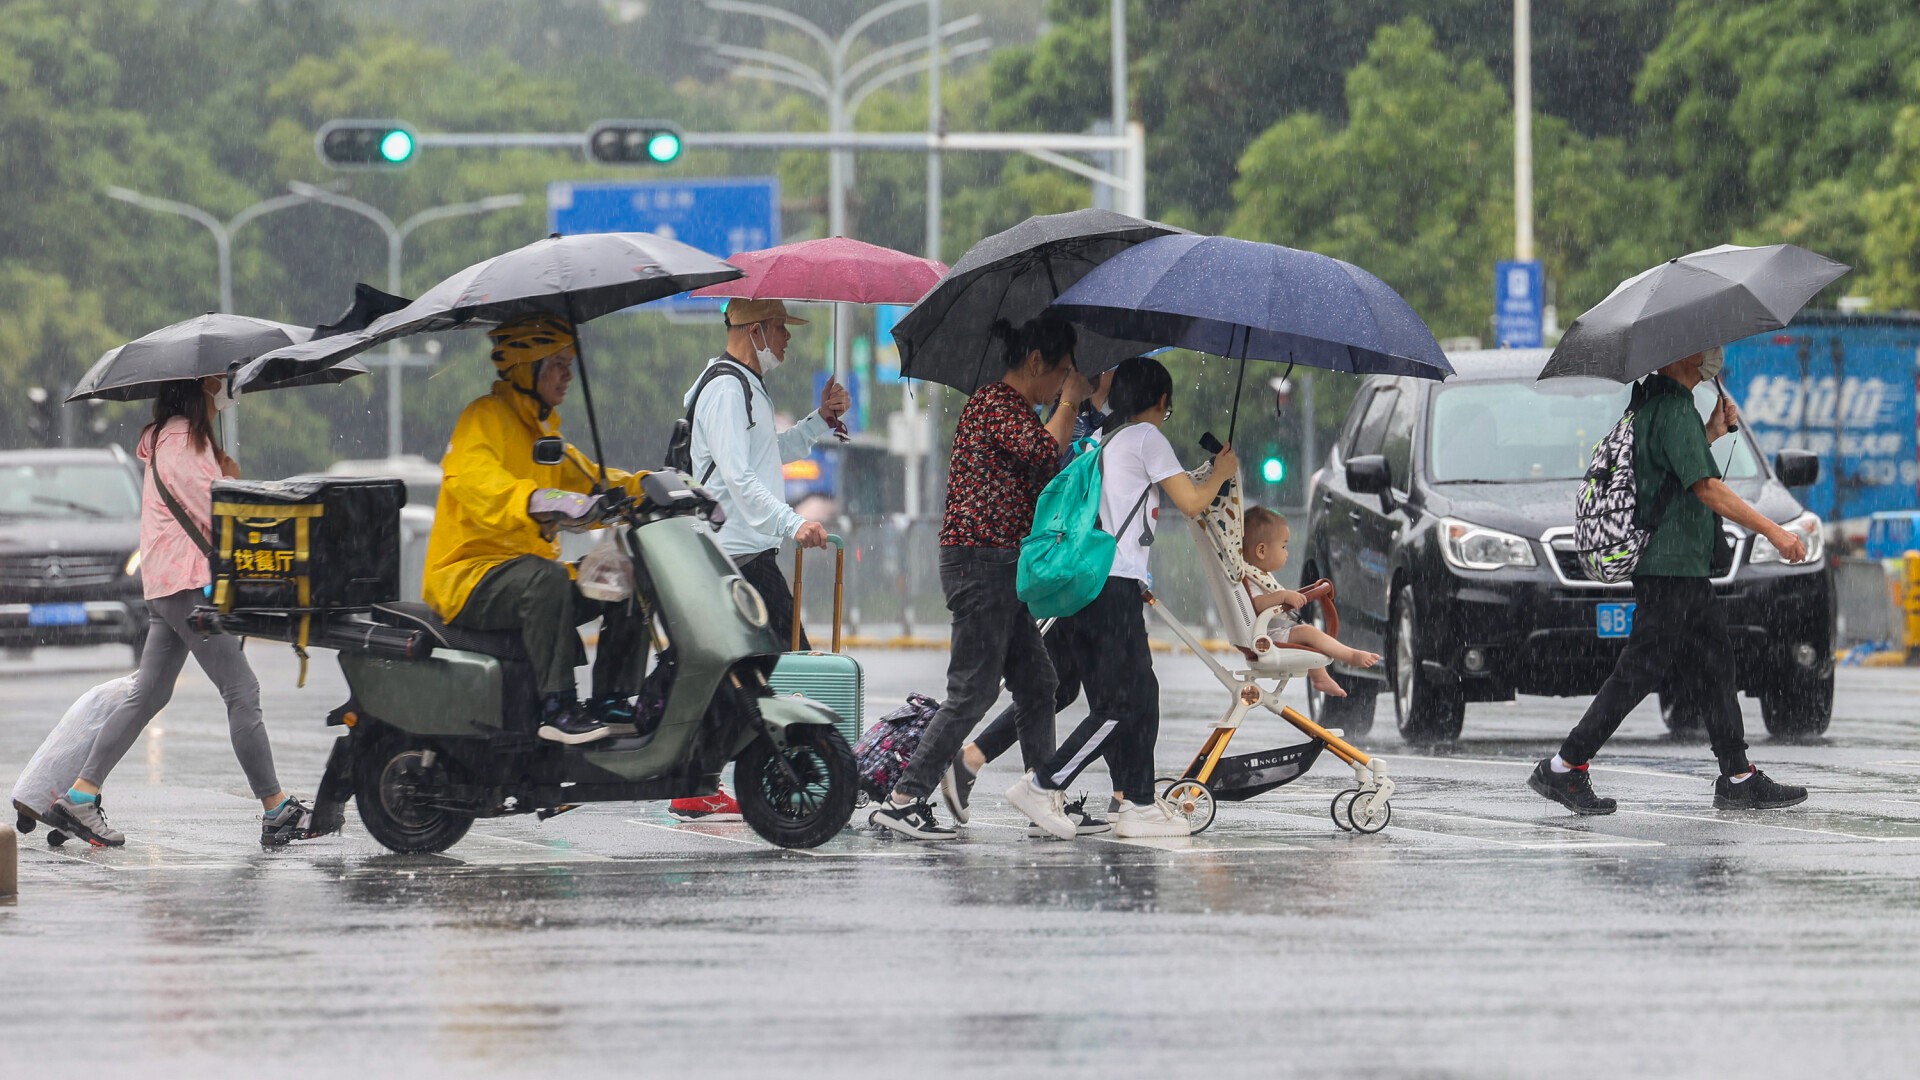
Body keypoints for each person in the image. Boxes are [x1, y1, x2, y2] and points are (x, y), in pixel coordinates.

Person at [1530, 347, 1810, 814]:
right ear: (1686, 356)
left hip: (1680, 567)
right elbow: (1705, 487)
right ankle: (1565, 765)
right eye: (1707, 348)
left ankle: (1737, 775)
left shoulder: (1655, 405)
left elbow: (1670, 476)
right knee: (1640, 671)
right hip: (1670, 566)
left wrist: (1712, 433)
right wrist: (1775, 531)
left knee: (1716, 663)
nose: (1714, 356)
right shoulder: (1674, 408)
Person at [45, 378, 320, 848]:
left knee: (149, 693)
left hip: (168, 583)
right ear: (199, 391)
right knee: (241, 689)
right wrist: (233, 481)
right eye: (218, 386)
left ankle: (80, 795)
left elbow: (203, 503)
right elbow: (216, 512)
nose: (224, 393)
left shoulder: (168, 438)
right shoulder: (181, 439)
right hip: (186, 583)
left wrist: (224, 472)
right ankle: (276, 808)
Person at [870, 311, 1091, 840]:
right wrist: (1071, 402)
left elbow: (1045, 465)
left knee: (1039, 683)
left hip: (999, 564)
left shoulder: (1005, 407)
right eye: (1059, 372)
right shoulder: (996, 404)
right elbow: (1043, 454)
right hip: (982, 562)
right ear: (1035, 361)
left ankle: (1044, 792)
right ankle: (904, 798)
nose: (1060, 385)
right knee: (971, 691)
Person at [1025, 355, 1238, 839]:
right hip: (1111, 583)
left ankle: (1138, 804)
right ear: (1160, 402)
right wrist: (1222, 471)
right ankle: (1045, 784)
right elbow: (1191, 502)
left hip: (1093, 583)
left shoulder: (1105, 439)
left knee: (1142, 694)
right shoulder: (1145, 437)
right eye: (1168, 406)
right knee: (1121, 705)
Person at [425, 314, 651, 748]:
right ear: (526, 368)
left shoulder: (543, 430)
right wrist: (538, 501)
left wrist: (653, 487)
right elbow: (478, 484)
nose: (568, 374)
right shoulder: (483, 418)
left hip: (526, 574)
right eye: (558, 364)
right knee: (544, 578)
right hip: (469, 575)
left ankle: (611, 699)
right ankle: (558, 707)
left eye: (569, 363)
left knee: (625, 576)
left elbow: (592, 481)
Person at [674, 297, 849, 821]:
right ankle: (774, 771)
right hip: (732, 555)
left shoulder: (744, 385)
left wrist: (821, 420)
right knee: (785, 660)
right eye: (780, 328)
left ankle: (702, 779)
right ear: (754, 331)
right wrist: (793, 523)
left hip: (745, 551)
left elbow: (769, 454)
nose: (787, 340)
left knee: (754, 669)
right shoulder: (727, 388)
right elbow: (737, 477)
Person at [937, 367, 1121, 834]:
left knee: (1052, 685)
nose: (1116, 376)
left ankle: (1013, 777)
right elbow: (1057, 479)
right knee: (1098, 689)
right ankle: (1112, 795)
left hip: (1068, 573)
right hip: (1066, 572)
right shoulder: (1065, 420)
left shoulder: (1086, 418)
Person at [1239, 506, 1381, 696]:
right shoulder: (1250, 579)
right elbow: (1257, 604)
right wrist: (1282, 596)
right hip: (1268, 635)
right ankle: (1350, 656)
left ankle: (1320, 677)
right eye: (1283, 546)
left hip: (1273, 630)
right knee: (1308, 632)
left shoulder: (1258, 575)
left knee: (1307, 633)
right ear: (1262, 551)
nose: (1286, 553)